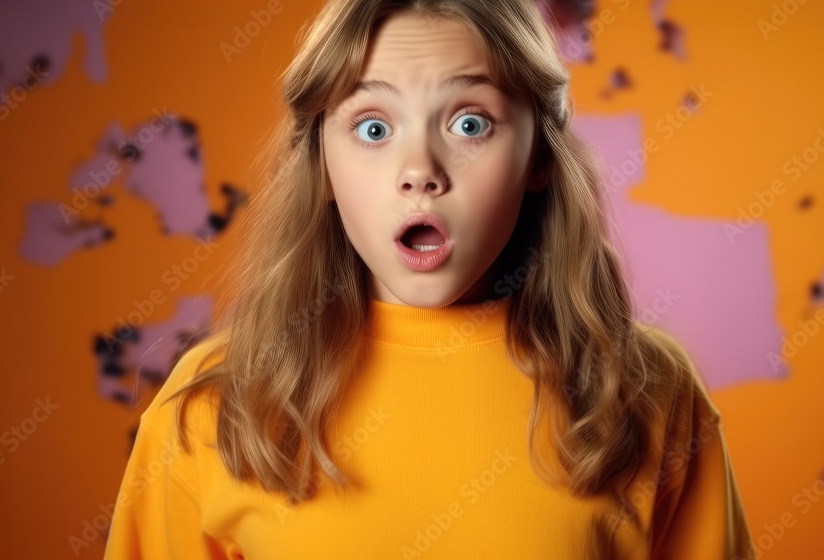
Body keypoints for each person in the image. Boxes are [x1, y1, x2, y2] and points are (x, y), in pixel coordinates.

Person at [103, 0, 756, 558]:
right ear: (322, 166)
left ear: (538, 158)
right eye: (374, 126)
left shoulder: (646, 390)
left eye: (470, 123)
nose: (420, 170)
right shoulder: (212, 404)